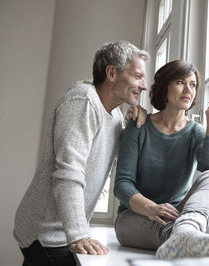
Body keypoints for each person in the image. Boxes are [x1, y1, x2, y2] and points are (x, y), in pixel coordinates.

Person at [114, 60, 209, 263]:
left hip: (178, 215)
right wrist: (151, 208)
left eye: (193, 85)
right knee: (169, 231)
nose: (188, 89)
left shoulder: (195, 132)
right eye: (180, 82)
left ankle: (187, 231)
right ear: (164, 87)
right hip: (135, 216)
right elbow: (122, 184)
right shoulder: (139, 127)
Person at [14, 40, 149, 266]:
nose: (144, 85)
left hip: (61, 233)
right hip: (47, 234)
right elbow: (68, 173)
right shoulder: (83, 101)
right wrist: (78, 234)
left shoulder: (114, 115)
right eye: (137, 76)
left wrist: (134, 119)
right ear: (112, 73)